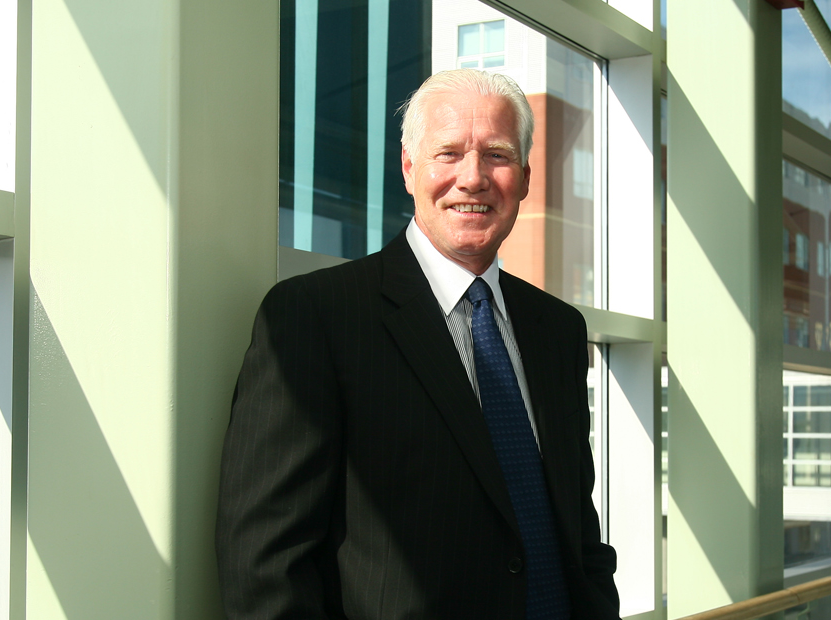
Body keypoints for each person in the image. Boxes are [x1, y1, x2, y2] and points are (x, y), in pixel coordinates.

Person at [216, 69, 620, 620]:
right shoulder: (316, 317)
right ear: (409, 169)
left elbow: (577, 527)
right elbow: (265, 561)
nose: (473, 178)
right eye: (448, 153)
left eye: (497, 156)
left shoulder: (559, 330)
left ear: (525, 178)